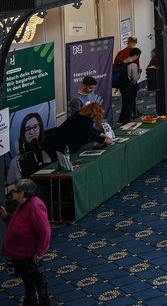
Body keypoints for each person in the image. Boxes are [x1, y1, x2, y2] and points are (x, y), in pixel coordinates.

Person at [1, 178, 50, 306]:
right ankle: (31, 299)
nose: (12, 192)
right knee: (27, 278)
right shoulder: (23, 204)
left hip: (31, 254)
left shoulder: (34, 206)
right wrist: (6, 215)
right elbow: (19, 223)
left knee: (38, 279)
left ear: (21, 193)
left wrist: (39, 252)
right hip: (21, 253)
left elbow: (45, 231)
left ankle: (45, 302)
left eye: (14, 191)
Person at [42, 102, 113, 156]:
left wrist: (102, 135)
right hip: (54, 145)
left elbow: (91, 129)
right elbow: (91, 134)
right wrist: (105, 141)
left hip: (54, 142)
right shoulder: (84, 119)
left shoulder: (82, 115)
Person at [117, 47, 143, 123]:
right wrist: (139, 73)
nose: (137, 58)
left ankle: (121, 119)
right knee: (129, 105)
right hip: (130, 87)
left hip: (123, 86)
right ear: (135, 55)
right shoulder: (133, 65)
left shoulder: (122, 62)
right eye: (137, 56)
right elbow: (135, 78)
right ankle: (126, 121)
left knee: (124, 103)